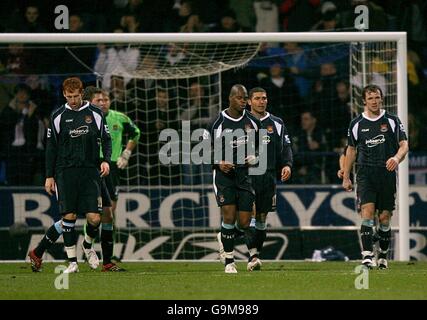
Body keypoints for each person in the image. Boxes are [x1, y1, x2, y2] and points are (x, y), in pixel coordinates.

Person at [28, 77, 112, 273]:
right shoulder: (58, 116)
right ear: (64, 95)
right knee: (69, 216)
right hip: (65, 171)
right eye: (69, 97)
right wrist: (49, 176)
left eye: (75, 96)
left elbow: (106, 140)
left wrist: (105, 160)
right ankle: (72, 262)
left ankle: (88, 246)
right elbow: (51, 149)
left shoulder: (96, 114)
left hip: (90, 171)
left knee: (95, 219)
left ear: (82, 93)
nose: (73, 100)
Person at [342, 84, 409, 269]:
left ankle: (383, 255)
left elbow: (404, 145)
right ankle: (367, 256)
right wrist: (346, 176)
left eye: (377, 97)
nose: (374, 101)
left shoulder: (392, 120)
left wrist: (396, 158)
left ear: (382, 98)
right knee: (367, 214)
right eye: (370, 98)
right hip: (365, 174)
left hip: (386, 174)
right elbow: (351, 150)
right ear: (364, 100)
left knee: (385, 218)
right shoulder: (356, 123)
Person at [84, 86, 140, 269]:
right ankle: (88, 247)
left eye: (106, 99)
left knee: (109, 213)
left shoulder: (119, 118)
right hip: (91, 167)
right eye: (99, 100)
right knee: (94, 214)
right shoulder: (85, 119)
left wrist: (126, 153)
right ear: (91, 102)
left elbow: (136, 133)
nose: (103, 103)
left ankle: (107, 257)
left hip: (112, 168)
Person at [210, 84, 260, 273]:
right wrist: (218, 163)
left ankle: (225, 238)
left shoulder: (253, 122)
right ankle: (229, 262)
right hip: (224, 177)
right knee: (229, 216)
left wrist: (255, 157)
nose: (244, 101)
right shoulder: (217, 122)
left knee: (246, 222)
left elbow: (262, 145)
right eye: (240, 98)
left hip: (244, 176)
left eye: (245, 98)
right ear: (230, 98)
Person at [244, 87, 293, 271]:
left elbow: (286, 147)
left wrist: (287, 164)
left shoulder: (277, 123)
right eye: (257, 98)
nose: (261, 101)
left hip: (269, 175)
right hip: (247, 175)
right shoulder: (242, 122)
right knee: (250, 213)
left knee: (262, 217)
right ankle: (253, 255)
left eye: (264, 98)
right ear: (249, 101)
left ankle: (254, 253)